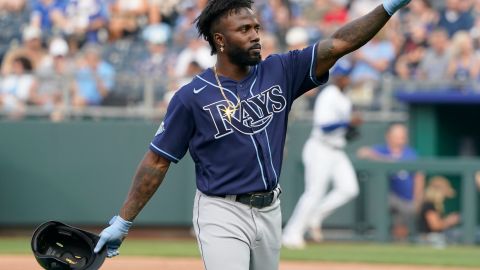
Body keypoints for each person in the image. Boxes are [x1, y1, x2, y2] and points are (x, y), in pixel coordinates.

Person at [93, 1, 413, 269]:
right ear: (220, 40)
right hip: (222, 210)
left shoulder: (280, 70)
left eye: (256, 28)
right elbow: (157, 161)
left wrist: (388, 6)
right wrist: (124, 221)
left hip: (270, 209)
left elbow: (339, 43)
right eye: (244, 30)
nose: (255, 35)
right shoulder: (192, 96)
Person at [282, 59, 361, 249]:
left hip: (336, 149)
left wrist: (350, 128)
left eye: (347, 75)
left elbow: (344, 129)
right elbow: (323, 126)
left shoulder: (344, 98)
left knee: (349, 188)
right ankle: (291, 233)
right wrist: (347, 123)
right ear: (337, 77)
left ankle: (315, 216)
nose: (345, 79)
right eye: (342, 75)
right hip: (320, 148)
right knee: (314, 193)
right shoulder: (329, 94)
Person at [357, 123, 425, 241]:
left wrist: (417, 198)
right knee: (385, 208)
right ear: (388, 136)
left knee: (403, 226)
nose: (401, 138)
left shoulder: (410, 154)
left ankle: (400, 245)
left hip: (407, 198)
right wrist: (384, 159)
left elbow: (419, 176)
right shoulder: (382, 150)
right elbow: (362, 153)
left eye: (403, 136)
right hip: (389, 196)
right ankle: (378, 238)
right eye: (398, 136)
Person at [417, 176, 460, 248]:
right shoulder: (429, 205)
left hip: (435, 239)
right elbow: (435, 226)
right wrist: (449, 221)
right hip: (429, 240)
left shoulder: (434, 205)